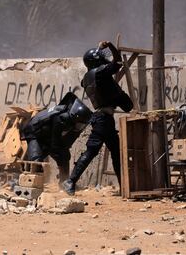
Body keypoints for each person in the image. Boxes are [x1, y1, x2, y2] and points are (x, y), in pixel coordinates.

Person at [62, 41, 133, 195]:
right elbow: (118, 62)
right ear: (96, 62)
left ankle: (124, 187)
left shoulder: (87, 78)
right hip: (102, 119)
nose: (103, 60)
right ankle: (70, 180)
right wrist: (111, 46)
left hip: (103, 118)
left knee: (115, 151)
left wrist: (100, 49)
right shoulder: (100, 73)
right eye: (100, 58)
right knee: (93, 150)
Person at [21, 92, 92, 183]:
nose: (80, 127)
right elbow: (55, 144)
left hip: (47, 134)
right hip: (34, 133)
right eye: (80, 123)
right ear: (75, 117)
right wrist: (57, 151)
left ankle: (64, 182)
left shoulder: (71, 120)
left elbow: (64, 144)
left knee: (64, 156)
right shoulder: (61, 118)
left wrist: (63, 155)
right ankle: (32, 184)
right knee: (36, 161)